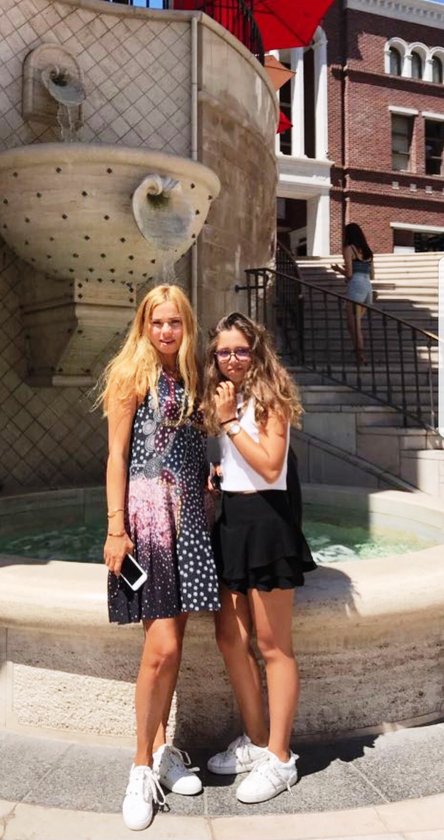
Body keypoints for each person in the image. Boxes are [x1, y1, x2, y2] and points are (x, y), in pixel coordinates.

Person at [98, 284, 220, 831]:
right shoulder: (132, 374)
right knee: (161, 647)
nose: (166, 331)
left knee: (173, 646)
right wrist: (115, 528)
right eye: (157, 322)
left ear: (186, 325)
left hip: (190, 516)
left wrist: (209, 475)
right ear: (144, 325)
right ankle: (140, 766)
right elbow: (117, 454)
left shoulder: (192, 375)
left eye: (174, 322)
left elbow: (191, 443)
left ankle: (165, 749)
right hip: (148, 517)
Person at [201, 311, 315, 805]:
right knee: (231, 637)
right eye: (223, 351)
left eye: (240, 350)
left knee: (273, 646)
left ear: (256, 350)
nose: (232, 359)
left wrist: (229, 422)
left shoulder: (271, 396)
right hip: (232, 522)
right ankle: (257, 739)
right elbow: (244, 460)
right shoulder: (227, 395)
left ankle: (281, 757)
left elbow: (270, 466)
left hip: (267, 525)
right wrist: (221, 474)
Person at [331, 222, 374, 365]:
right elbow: (372, 275)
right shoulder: (368, 252)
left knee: (354, 325)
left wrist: (338, 270)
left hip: (356, 287)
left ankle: (361, 356)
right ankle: (358, 352)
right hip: (367, 287)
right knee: (353, 324)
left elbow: (349, 274)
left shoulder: (349, 249)